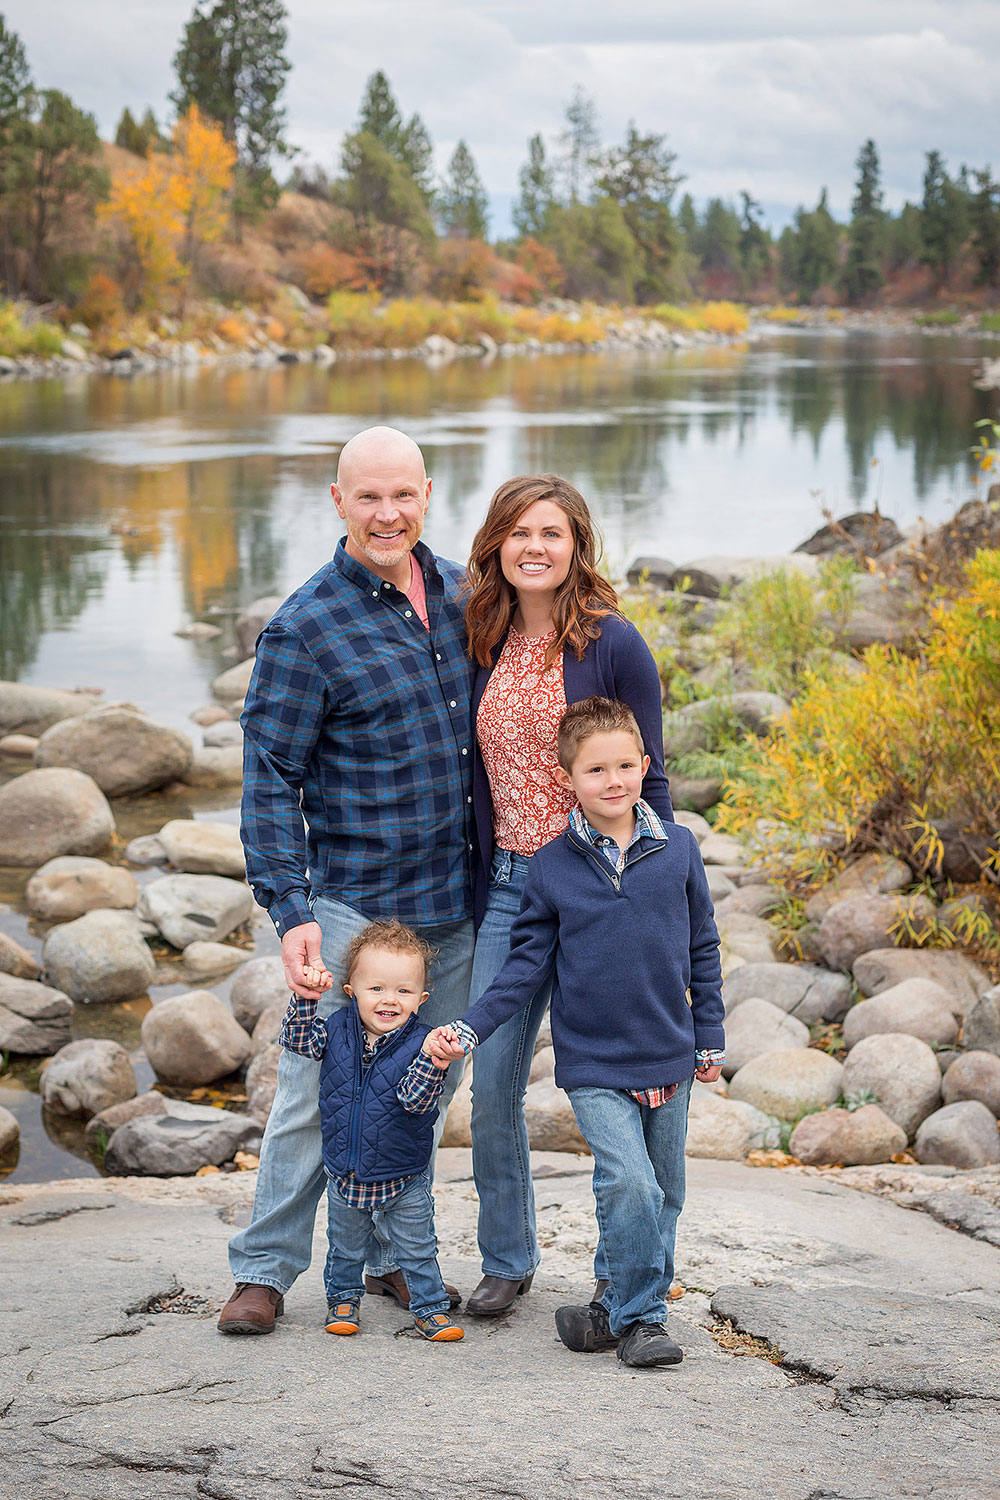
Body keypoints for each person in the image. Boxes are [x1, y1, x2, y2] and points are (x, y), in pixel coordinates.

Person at [219, 426, 475, 1335]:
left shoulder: (467, 595)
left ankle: (393, 1257)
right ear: (338, 502)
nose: (387, 513)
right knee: (309, 1096)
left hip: (457, 908)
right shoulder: (304, 628)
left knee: (422, 1093)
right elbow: (269, 780)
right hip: (352, 909)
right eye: (368, 496)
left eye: (403, 494)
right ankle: (264, 1270)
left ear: (428, 495)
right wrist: (288, 906)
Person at [427, 697, 725, 1367]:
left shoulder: (678, 849)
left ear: (645, 765)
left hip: (669, 1052)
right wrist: (469, 1029)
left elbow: (703, 945)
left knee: (665, 1194)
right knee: (630, 1184)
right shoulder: (553, 866)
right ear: (567, 779)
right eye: (595, 770)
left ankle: (608, 1309)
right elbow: (523, 968)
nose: (613, 781)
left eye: (625, 766)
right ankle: (643, 1320)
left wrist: (708, 1034)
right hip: (594, 1062)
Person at [461, 473, 674, 1317]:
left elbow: (653, 779)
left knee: (621, 1083)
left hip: (600, 889)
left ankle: (625, 1272)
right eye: (519, 532)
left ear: (577, 543)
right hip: (511, 890)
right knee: (492, 1085)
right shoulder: (481, 636)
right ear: (498, 545)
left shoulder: (613, 643)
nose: (535, 547)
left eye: (551, 532)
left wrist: (652, 894)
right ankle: (507, 1257)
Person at [280, 919, 465, 1342]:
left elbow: (415, 1102)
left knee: (418, 1249)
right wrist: (306, 998)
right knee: (345, 1246)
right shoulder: (336, 1030)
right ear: (352, 992)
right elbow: (297, 1041)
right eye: (376, 988)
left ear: (421, 999)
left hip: (404, 1175)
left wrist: (434, 1063)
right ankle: (343, 1300)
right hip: (345, 1171)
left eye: (404, 991)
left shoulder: (424, 1043)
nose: (389, 999)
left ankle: (430, 1309)